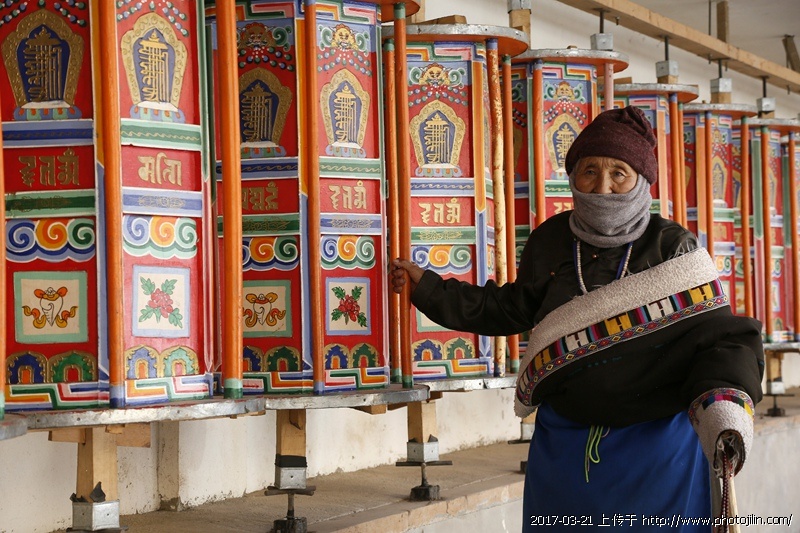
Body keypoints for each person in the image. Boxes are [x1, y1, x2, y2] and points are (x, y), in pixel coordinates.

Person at [390, 106, 764, 530]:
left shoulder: (673, 247)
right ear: (572, 176)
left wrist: (725, 414)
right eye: (589, 171)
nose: (602, 187)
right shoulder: (551, 240)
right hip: (566, 445)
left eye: (618, 173)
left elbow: (717, 340)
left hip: (657, 447)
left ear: (642, 180)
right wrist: (429, 288)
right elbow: (509, 308)